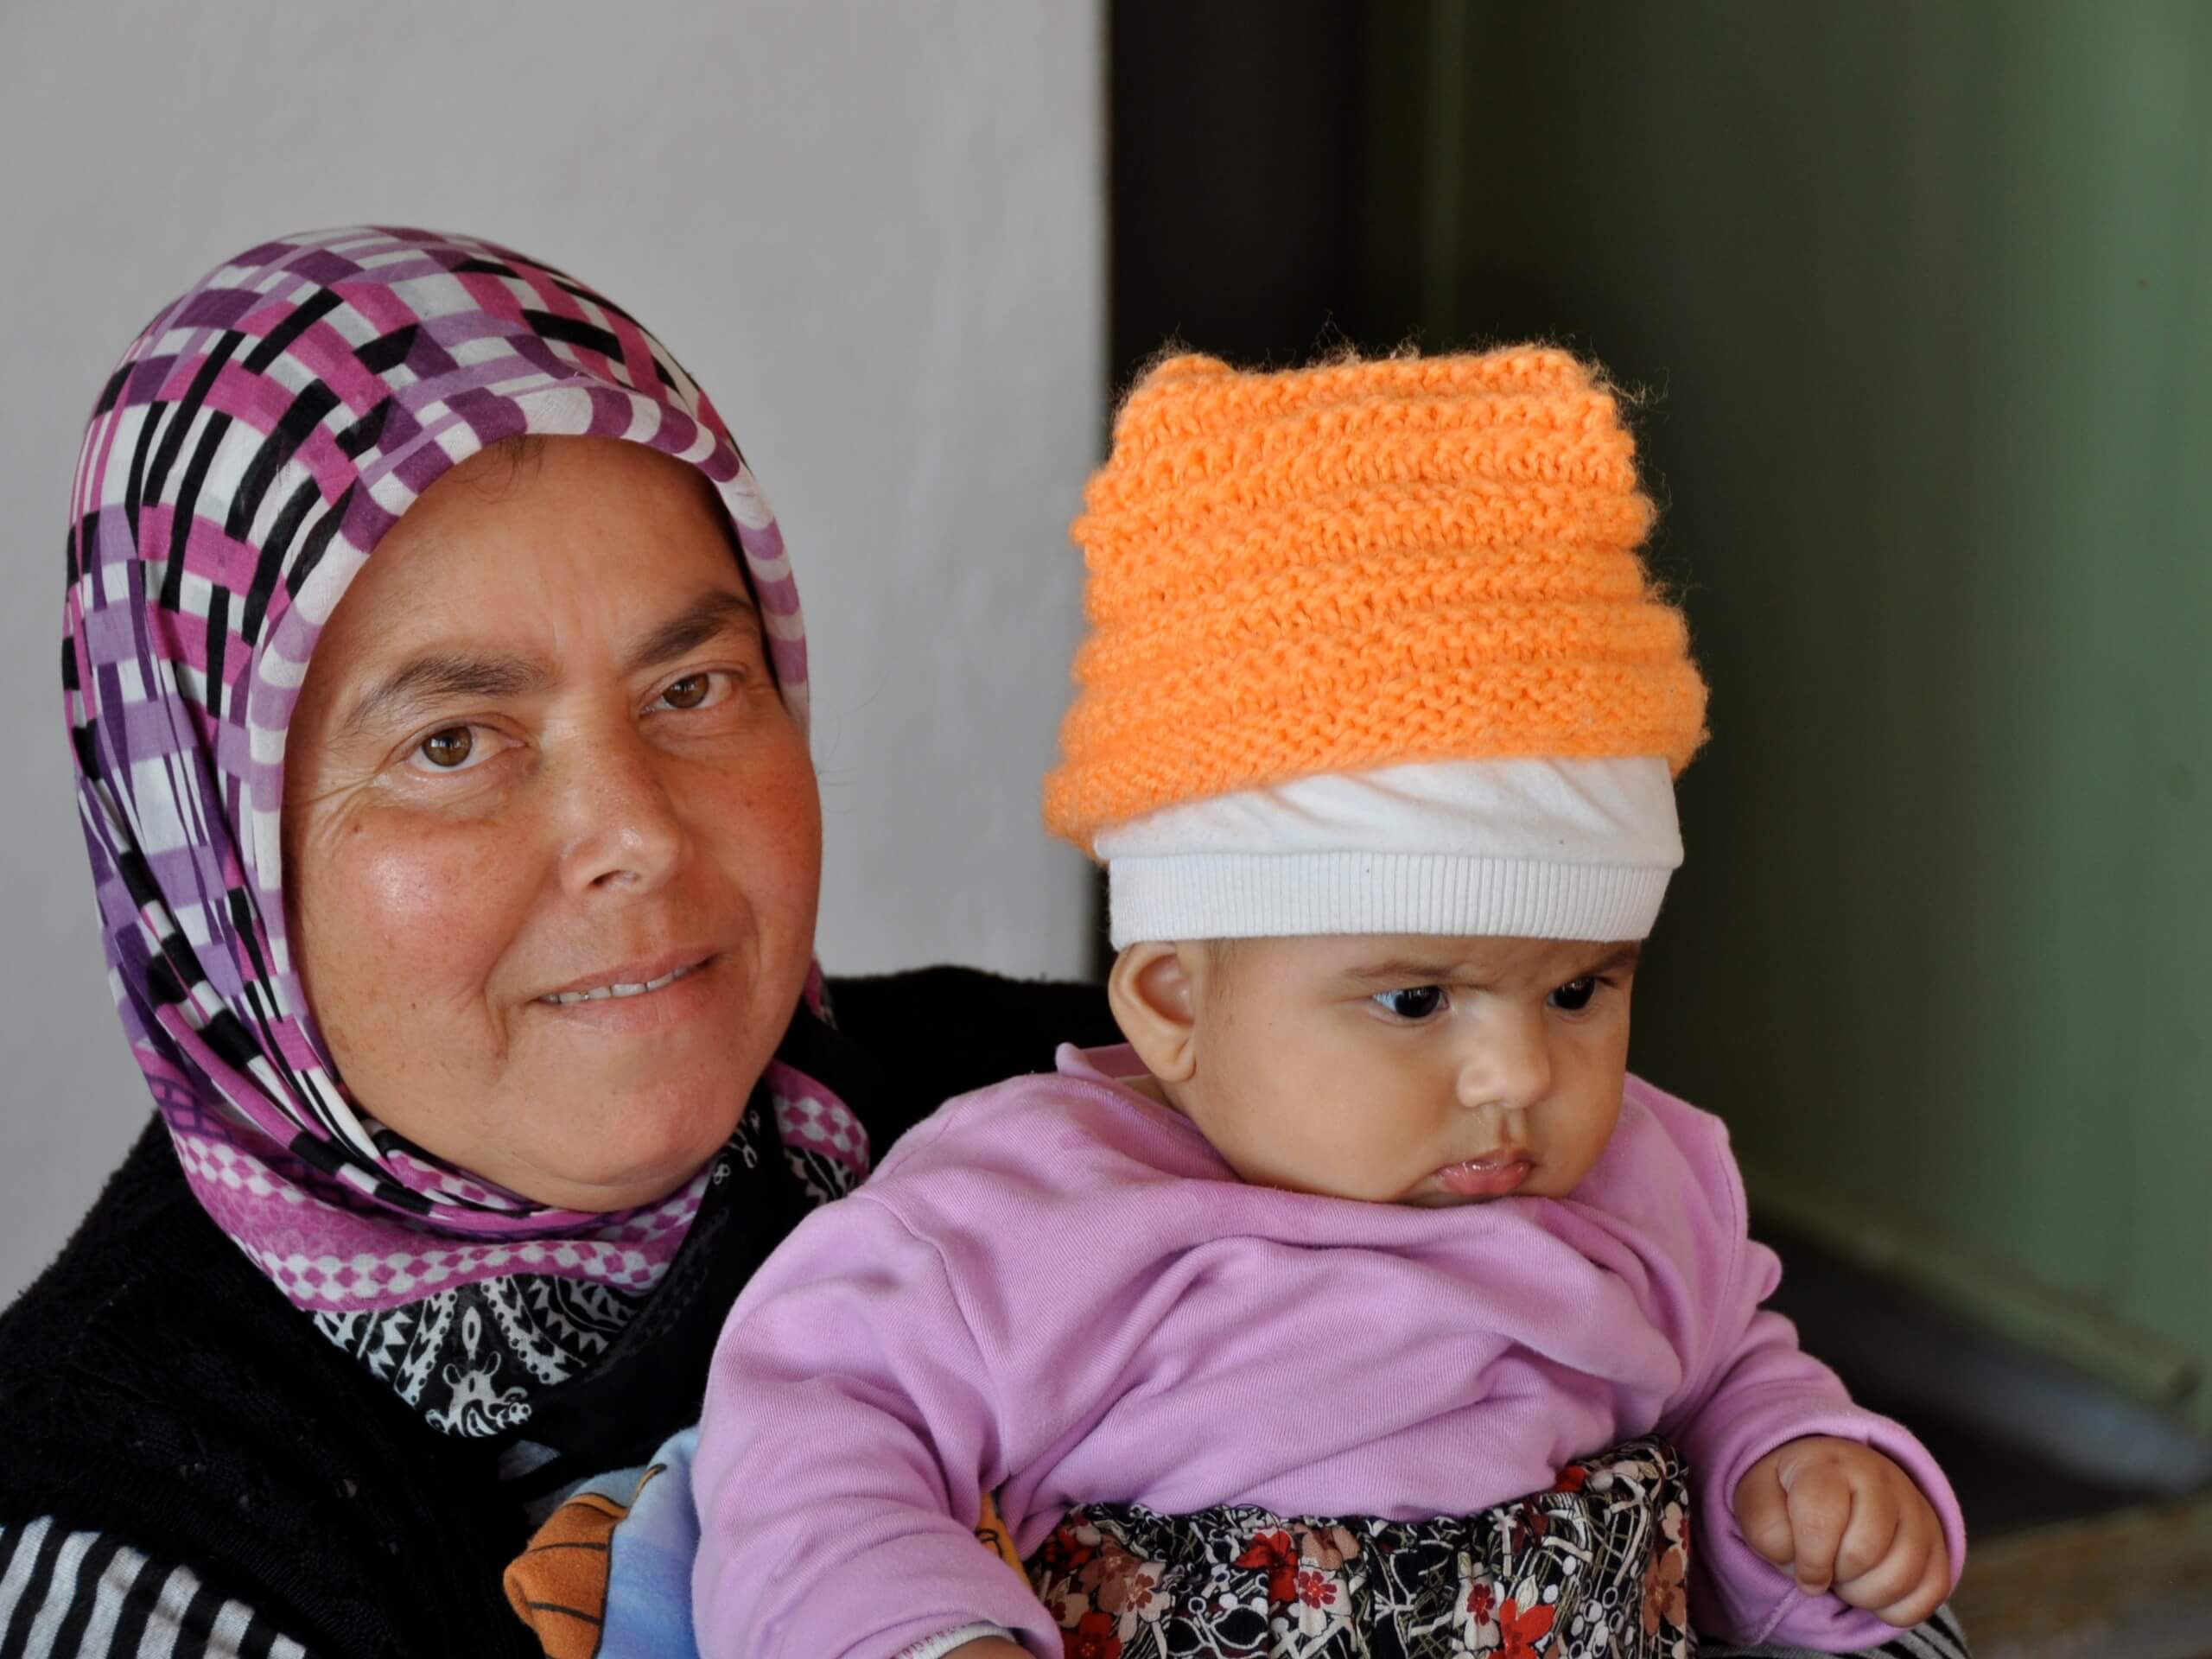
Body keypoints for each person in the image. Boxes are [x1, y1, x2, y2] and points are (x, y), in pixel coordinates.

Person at [688, 351, 1970, 1659]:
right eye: (1417, 999)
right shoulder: (1022, 1223)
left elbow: (1726, 1377)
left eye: (1580, 989)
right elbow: (814, 1442)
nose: (1515, 1073)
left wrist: (1802, 1478)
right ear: (1175, 1003)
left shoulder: (1645, 1189)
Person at [0, 226, 1119, 1659]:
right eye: (452, 743)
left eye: (694, 686)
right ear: (218, 869)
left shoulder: (1067, 1100)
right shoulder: (143, 1549)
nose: (635, 832)